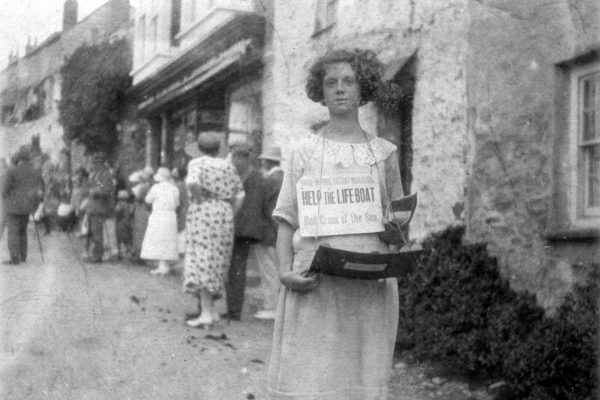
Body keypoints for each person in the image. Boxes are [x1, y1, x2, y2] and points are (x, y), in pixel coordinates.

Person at [266, 49, 404, 399]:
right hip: (316, 283)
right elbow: (286, 221)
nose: (340, 89)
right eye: (331, 83)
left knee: (358, 380)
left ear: (363, 89)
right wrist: (284, 272)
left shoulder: (384, 154)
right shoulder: (303, 152)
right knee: (311, 381)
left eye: (349, 81)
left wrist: (395, 230)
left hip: (366, 286)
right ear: (321, 91)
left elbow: (400, 225)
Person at [183, 131, 244, 327]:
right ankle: (212, 311)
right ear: (218, 148)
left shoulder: (197, 164)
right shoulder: (228, 166)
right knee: (217, 259)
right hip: (224, 212)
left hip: (204, 211)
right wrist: (230, 213)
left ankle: (207, 312)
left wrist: (200, 199)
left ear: (200, 148)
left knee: (202, 259)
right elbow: (240, 194)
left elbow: (192, 183)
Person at [225, 142, 269, 321]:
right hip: (244, 228)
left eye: (236, 157)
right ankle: (233, 308)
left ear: (241, 157)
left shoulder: (244, 176)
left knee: (235, 267)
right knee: (236, 267)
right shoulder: (257, 177)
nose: (235, 161)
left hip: (240, 228)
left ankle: (234, 309)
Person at [252, 146, 284, 320]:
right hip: (282, 232)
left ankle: (271, 307)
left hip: (268, 233)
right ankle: (278, 306)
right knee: (279, 269)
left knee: (269, 271)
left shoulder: (268, 181)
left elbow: (266, 210)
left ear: (265, 161)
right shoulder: (285, 178)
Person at [2, 147, 44, 265]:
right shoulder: (34, 171)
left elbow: (4, 189)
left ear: (18, 158)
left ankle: (15, 258)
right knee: (22, 231)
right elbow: (39, 188)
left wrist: (5, 200)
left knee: (13, 231)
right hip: (27, 206)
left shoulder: (11, 170)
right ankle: (22, 256)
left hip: (13, 206)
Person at [140, 167, 180, 275]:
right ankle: (164, 264)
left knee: (158, 238)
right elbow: (177, 204)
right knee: (168, 239)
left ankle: (162, 266)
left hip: (158, 214)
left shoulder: (155, 188)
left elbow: (147, 200)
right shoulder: (174, 188)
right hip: (170, 215)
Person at [83, 152, 115, 264]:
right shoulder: (97, 174)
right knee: (93, 232)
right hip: (93, 207)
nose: (92, 165)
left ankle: (97, 256)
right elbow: (97, 185)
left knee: (97, 233)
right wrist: (93, 186)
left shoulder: (105, 175)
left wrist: (95, 190)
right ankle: (95, 253)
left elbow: (107, 189)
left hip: (99, 207)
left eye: (94, 163)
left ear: (99, 163)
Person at [130, 168, 153, 263]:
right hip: (143, 209)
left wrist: (136, 195)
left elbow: (139, 198)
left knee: (140, 230)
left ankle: (139, 254)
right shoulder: (148, 186)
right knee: (140, 230)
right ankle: (139, 253)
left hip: (141, 209)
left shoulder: (144, 187)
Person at [115, 190, 134, 259]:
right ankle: (121, 253)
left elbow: (126, 215)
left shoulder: (122, 205)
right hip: (121, 223)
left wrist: (125, 223)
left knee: (123, 239)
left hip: (121, 224)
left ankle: (130, 252)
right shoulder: (124, 204)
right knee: (123, 240)